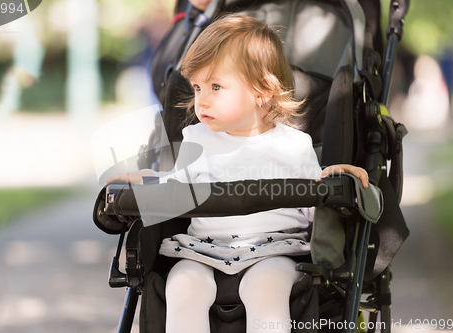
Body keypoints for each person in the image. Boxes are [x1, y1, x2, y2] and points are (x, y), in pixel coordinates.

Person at [107, 15, 369, 333]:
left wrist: (333, 178)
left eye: (216, 87)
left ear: (262, 91)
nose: (201, 100)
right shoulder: (196, 139)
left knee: (265, 287)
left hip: (275, 249)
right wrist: (150, 181)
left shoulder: (293, 145)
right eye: (197, 87)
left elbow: (315, 204)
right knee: (182, 285)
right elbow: (177, 188)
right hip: (203, 249)